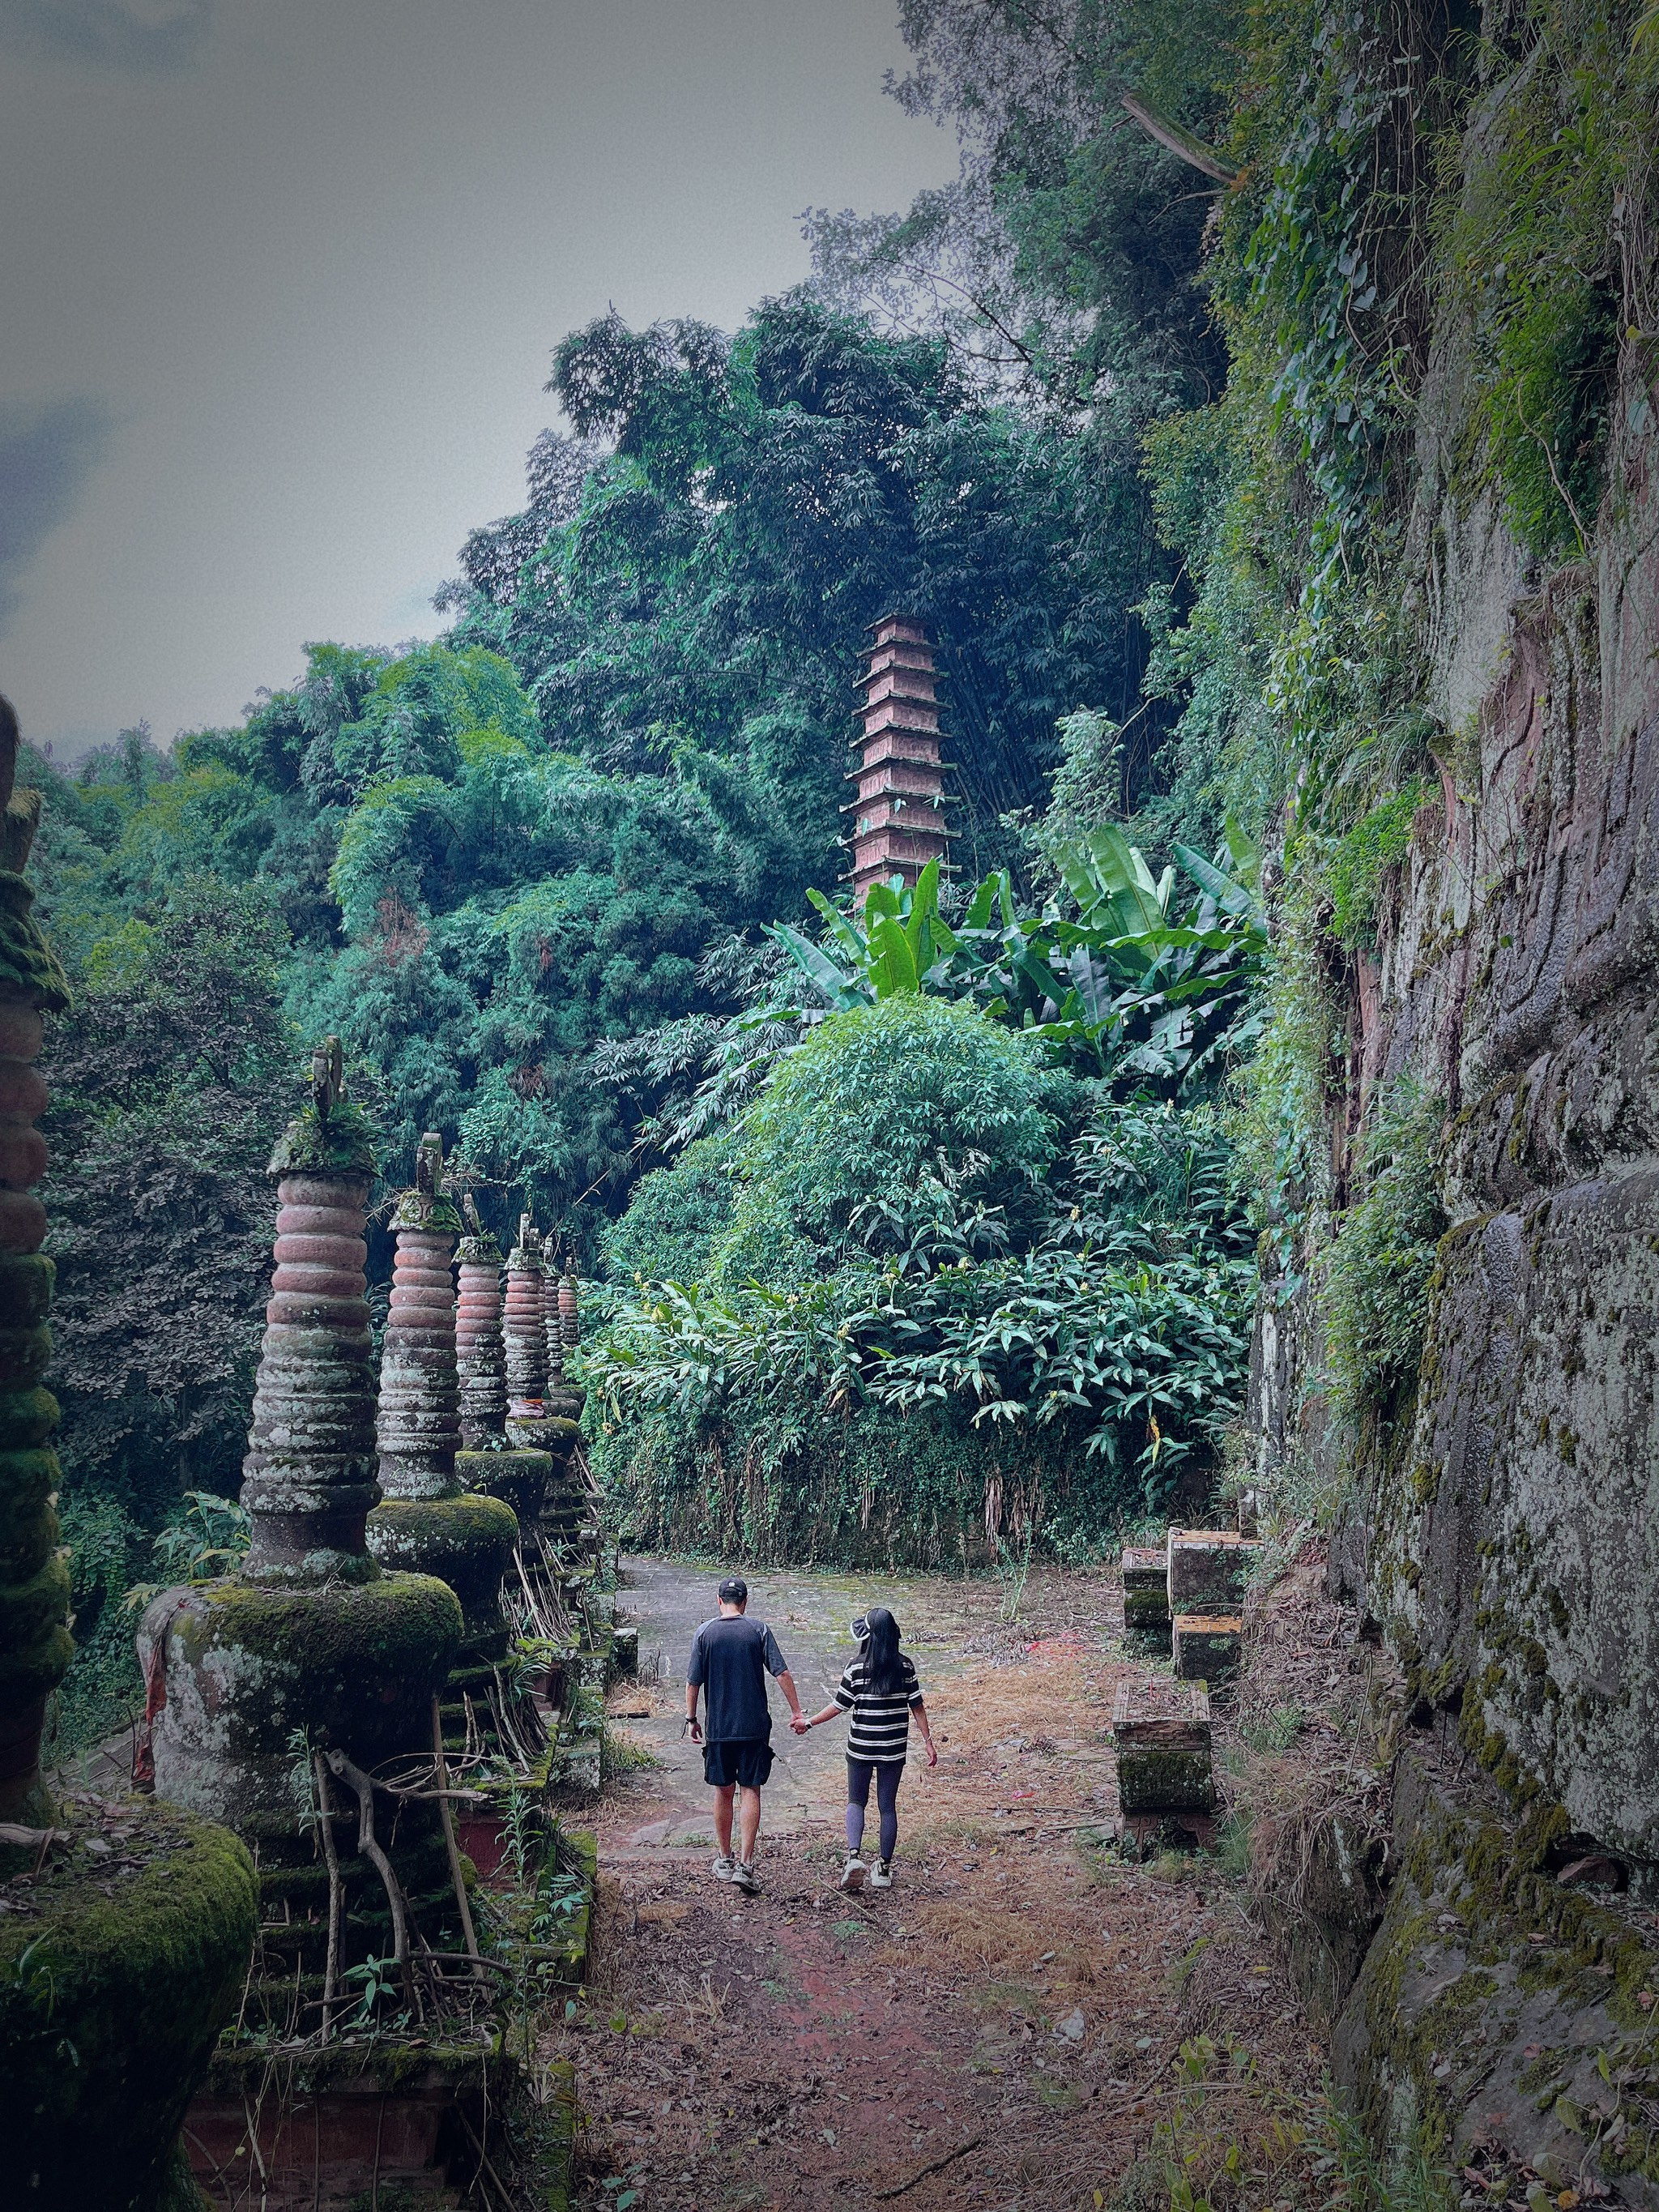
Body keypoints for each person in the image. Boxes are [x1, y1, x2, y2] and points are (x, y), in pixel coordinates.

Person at [684, 1575, 807, 1895]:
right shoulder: (758, 1630)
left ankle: (724, 1858)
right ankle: (746, 1864)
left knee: (723, 1791)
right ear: (746, 1602)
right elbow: (782, 1673)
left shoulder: (704, 1634)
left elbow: (693, 1682)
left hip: (720, 1728)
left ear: (718, 1600)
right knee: (750, 1790)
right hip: (754, 1728)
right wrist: (796, 1712)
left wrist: (691, 1718)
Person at [800, 1606, 936, 1893]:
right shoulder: (906, 1667)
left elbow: (839, 1706)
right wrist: (927, 1741)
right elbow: (918, 1706)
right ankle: (884, 1869)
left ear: (869, 1636)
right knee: (887, 1807)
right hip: (893, 1749)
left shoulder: (856, 1667)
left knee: (856, 1801)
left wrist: (809, 1722)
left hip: (860, 1746)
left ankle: (853, 1858)